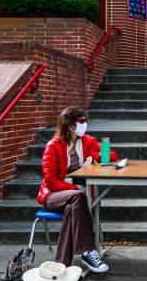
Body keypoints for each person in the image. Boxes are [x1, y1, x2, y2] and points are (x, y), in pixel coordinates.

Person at [36, 107, 118, 272]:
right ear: (69, 124)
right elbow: (51, 181)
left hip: (77, 197)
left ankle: (62, 263)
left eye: (85, 121)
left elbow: (113, 156)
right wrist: (75, 188)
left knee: (73, 207)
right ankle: (88, 251)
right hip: (54, 195)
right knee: (78, 197)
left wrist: (97, 155)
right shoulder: (53, 146)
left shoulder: (87, 140)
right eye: (81, 121)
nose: (84, 124)